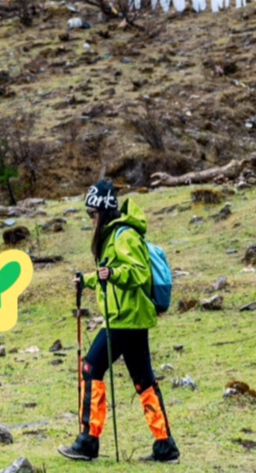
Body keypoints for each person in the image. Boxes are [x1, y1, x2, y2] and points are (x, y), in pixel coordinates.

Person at [58, 180, 180, 464]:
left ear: (103, 211)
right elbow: (107, 272)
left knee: (91, 367)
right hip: (130, 319)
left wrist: (112, 273)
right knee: (144, 382)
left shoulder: (124, 235)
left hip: (125, 320)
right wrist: (87, 280)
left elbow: (137, 273)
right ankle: (165, 447)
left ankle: (88, 441)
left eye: (92, 213)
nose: (91, 219)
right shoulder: (114, 236)